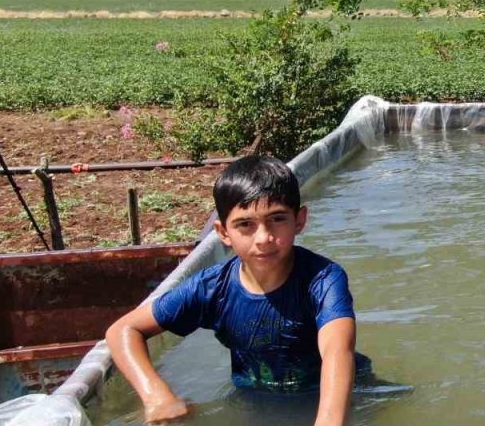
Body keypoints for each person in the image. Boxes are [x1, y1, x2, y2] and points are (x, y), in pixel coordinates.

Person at [106, 155, 367, 425]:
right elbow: (122, 330)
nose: (264, 238)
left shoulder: (323, 279)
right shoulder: (211, 289)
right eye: (245, 224)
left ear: (299, 220)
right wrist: (157, 396)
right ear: (223, 232)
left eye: (277, 219)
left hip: (343, 395)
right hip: (255, 400)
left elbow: (338, 351)